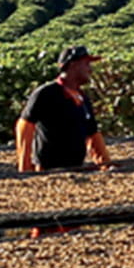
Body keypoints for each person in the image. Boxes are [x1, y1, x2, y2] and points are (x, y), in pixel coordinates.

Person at [16, 45, 112, 173]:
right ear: (73, 64)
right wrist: (25, 165)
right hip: (47, 172)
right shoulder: (46, 93)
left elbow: (92, 133)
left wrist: (105, 163)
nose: (90, 70)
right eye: (86, 64)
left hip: (77, 169)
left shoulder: (83, 98)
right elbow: (25, 126)